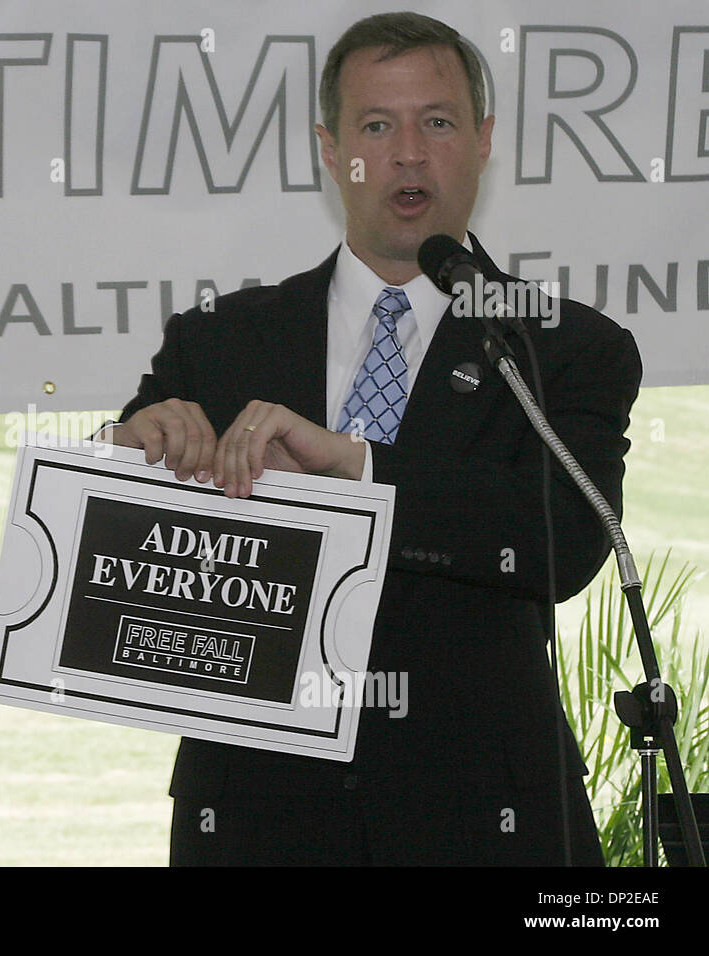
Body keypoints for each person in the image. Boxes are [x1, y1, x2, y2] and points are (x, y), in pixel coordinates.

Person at [109, 12, 640, 864]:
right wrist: (134, 445)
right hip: (255, 812)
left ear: (482, 141)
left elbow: (564, 541)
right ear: (331, 149)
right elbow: (123, 514)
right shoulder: (218, 341)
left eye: (437, 122)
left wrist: (355, 467)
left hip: (482, 814)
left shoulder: (562, 344)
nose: (408, 152)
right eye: (376, 126)